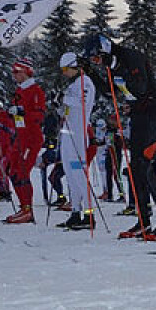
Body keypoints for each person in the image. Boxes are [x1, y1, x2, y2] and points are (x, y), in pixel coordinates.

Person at [83, 34, 156, 240]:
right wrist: (91, 73)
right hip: (139, 117)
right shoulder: (112, 64)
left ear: (105, 49)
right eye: (93, 61)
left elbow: (140, 86)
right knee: (135, 170)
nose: (97, 62)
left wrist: (115, 65)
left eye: (97, 59)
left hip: (153, 116)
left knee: (146, 166)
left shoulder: (130, 57)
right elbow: (110, 92)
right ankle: (143, 220)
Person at [56, 53, 96, 230]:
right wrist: (58, 103)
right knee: (70, 173)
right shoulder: (73, 85)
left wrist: (63, 99)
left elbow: (83, 103)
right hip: (68, 131)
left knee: (79, 171)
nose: (64, 73)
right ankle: (75, 210)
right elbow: (68, 108)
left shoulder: (85, 82)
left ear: (75, 67)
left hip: (79, 133)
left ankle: (89, 214)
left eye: (66, 69)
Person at [5, 57, 47, 223]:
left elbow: (39, 115)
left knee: (22, 172)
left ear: (27, 72)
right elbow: (15, 118)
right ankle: (23, 207)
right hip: (19, 138)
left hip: (31, 139)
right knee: (13, 171)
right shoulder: (19, 91)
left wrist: (22, 112)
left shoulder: (35, 90)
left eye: (17, 72)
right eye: (13, 72)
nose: (14, 75)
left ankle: (27, 210)